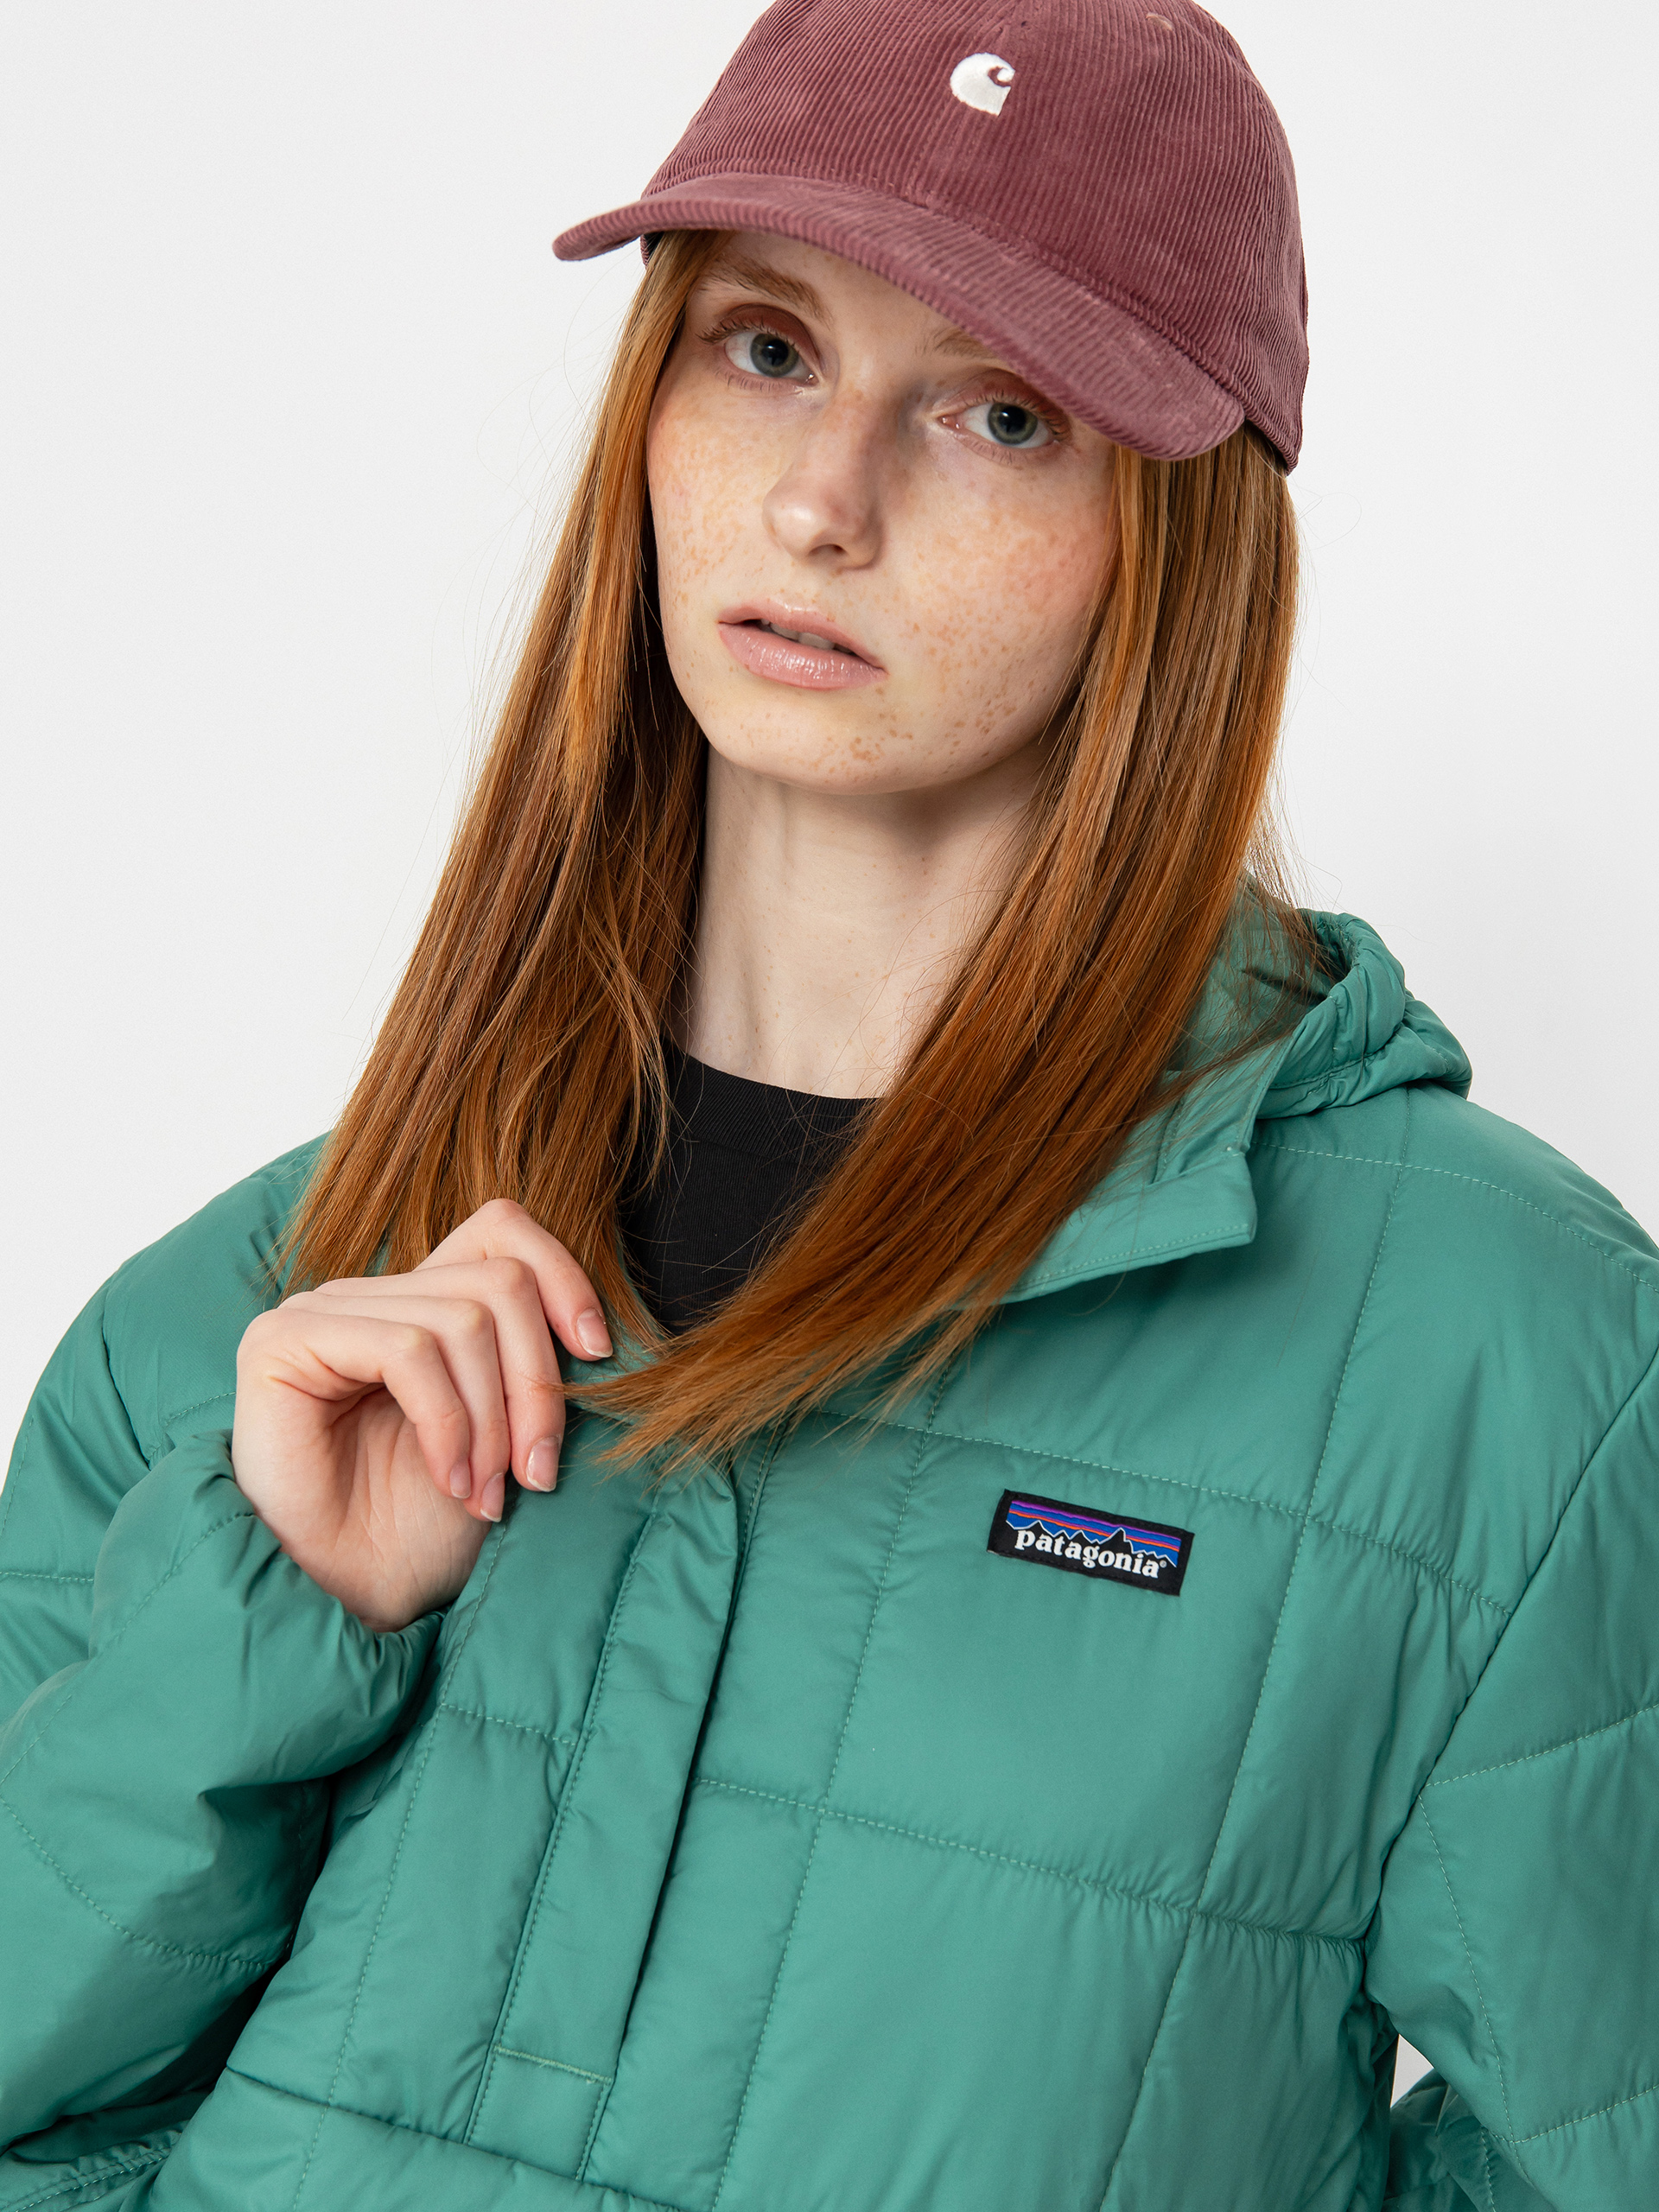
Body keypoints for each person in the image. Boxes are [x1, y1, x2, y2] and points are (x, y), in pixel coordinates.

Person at [2, 0, 1654, 2205]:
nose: (820, 500)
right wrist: (266, 1621)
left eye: (999, 411)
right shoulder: (251, 1325)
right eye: (767, 348)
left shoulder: (1504, 1365)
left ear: (1172, 539)